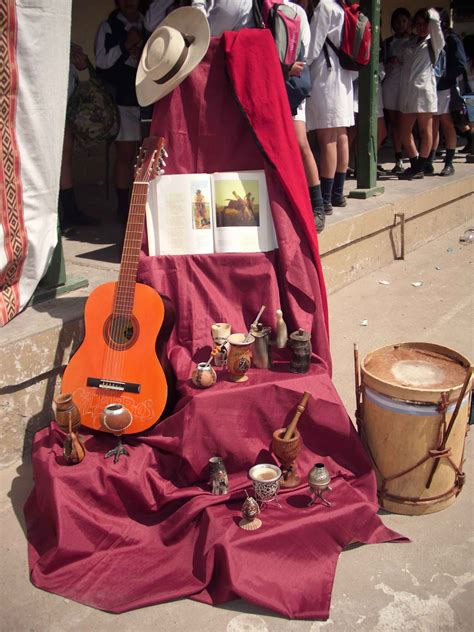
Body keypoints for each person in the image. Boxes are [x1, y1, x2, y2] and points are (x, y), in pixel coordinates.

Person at [95, 0, 145, 222]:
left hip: (149, 99)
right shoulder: (109, 26)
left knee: (147, 156)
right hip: (122, 100)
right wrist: (126, 45)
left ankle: (144, 204)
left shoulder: (150, 22)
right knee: (125, 154)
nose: (129, 2)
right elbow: (103, 62)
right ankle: (124, 208)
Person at [306, 0, 354, 214]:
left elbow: (312, 47)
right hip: (342, 78)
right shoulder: (343, 7)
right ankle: (337, 193)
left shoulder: (325, 6)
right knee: (340, 134)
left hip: (327, 76)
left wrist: (298, 62)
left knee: (327, 138)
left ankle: (324, 198)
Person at [397, 7, 445, 180]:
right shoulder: (410, 42)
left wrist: (431, 15)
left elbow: (437, 27)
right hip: (408, 92)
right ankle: (415, 162)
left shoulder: (434, 43)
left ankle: (420, 166)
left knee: (425, 130)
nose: (422, 27)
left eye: (425, 24)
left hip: (424, 91)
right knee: (404, 132)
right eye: (418, 24)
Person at [59, 44, 100, 229]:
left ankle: (69, 211)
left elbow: (86, 81)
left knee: (64, 160)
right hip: (39, 107)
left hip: (64, 107)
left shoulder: (68, 46)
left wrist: (82, 65)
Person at [426, 9, 468, 176]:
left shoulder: (452, 39)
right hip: (432, 88)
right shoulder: (429, 40)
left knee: (447, 124)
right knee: (432, 125)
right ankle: (429, 160)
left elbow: (460, 64)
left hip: (446, 88)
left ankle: (449, 163)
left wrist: (445, 77)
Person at [381, 7, 414, 174]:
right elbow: (380, 64)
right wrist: (389, 62)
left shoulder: (415, 42)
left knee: (405, 124)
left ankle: (414, 157)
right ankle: (398, 157)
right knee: (394, 123)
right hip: (391, 85)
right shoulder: (388, 43)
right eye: (397, 22)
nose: (400, 25)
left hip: (407, 86)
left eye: (404, 21)